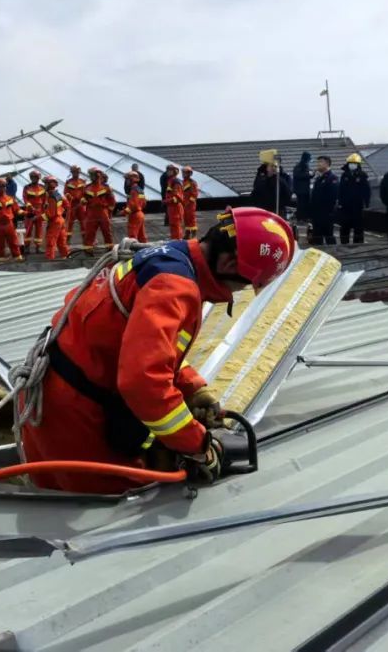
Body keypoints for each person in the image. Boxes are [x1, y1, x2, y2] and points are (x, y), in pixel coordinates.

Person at [19, 207, 297, 494]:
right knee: (98, 515)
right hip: (76, 418)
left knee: (50, 496)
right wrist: (199, 445)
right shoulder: (174, 287)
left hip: (57, 396)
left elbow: (148, 347)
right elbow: (143, 383)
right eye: (243, 284)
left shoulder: (174, 257)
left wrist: (191, 388)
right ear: (227, 264)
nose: (236, 292)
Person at [0, 177, 24, 262]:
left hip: (9, 223)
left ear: (6, 187)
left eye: (3, 186)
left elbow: (17, 210)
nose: (1, 188)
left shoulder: (10, 198)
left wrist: (26, 212)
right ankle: (0, 257)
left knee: (13, 241)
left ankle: (17, 256)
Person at [337, 153, 371, 244]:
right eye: (351, 163)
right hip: (345, 207)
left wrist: (366, 204)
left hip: (358, 206)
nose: (352, 165)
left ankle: (358, 246)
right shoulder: (344, 175)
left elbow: (367, 191)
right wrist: (340, 203)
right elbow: (340, 190)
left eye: (354, 163)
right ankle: (344, 245)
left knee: (358, 228)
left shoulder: (362, 175)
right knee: (344, 228)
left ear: (358, 165)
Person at [82, 167, 116, 253]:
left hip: (103, 212)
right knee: (89, 231)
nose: (93, 176)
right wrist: (83, 200)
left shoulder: (106, 188)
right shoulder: (87, 188)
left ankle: (109, 248)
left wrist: (109, 212)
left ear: (99, 175)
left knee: (106, 231)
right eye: (92, 175)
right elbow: (83, 198)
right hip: (91, 212)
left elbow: (112, 201)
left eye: (95, 174)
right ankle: (88, 249)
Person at [309, 156, 339, 246]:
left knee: (329, 236)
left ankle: (335, 255)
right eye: (318, 162)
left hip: (326, 214)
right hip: (317, 213)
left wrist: (329, 212)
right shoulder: (319, 178)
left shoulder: (332, 178)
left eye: (321, 162)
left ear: (327, 164)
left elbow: (333, 197)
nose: (318, 164)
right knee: (317, 238)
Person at [43, 176, 70, 260]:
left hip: (54, 221)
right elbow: (67, 205)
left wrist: (38, 217)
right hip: (60, 219)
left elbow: (50, 214)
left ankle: (49, 259)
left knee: (51, 241)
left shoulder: (51, 196)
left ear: (50, 184)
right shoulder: (59, 194)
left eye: (46, 183)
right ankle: (66, 256)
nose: (45, 185)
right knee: (61, 240)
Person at [22, 170, 48, 254]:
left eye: (35, 177)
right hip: (30, 211)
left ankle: (38, 248)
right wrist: (29, 206)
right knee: (28, 229)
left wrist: (44, 209)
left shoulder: (43, 187)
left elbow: (45, 200)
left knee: (39, 230)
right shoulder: (27, 187)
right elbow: (25, 198)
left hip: (40, 211)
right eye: (32, 177)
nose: (34, 179)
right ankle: (26, 248)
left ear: (38, 178)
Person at [64, 165, 87, 245]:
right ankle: (67, 241)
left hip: (81, 205)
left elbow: (86, 192)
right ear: (71, 172)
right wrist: (69, 197)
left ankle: (86, 240)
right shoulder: (68, 182)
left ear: (79, 172)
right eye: (73, 172)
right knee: (69, 223)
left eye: (76, 171)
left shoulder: (83, 182)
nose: (75, 173)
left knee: (84, 223)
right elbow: (65, 192)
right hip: (72, 205)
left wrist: (84, 198)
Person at [123, 171, 147, 241]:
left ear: (132, 180)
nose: (126, 181)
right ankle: (144, 249)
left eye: (127, 179)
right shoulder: (140, 189)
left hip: (134, 215)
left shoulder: (133, 190)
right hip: (140, 214)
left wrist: (124, 212)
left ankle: (134, 251)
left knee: (132, 236)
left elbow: (133, 205)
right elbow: (144, 203)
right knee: (141, 235)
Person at [164, 166, 185, 239]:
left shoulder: (176, 182)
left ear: (174, 172)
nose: (168, 172)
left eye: (170, 171)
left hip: (175, 208)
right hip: (171, 208)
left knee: (176, 226)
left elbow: (177, 197)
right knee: (172, 225)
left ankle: (178, 241)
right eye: (167, 170)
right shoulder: (171, 181)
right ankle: (174, 240)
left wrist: (167, 201)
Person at [292, 152, 313, 221]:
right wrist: (309, 175)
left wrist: (312, 174)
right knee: (301, 204)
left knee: (305, 204)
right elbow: (298, 175)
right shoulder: (299, 166)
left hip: (305, 189)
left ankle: (304, 217)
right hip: (301, 190)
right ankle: (301, 217)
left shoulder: (305, 165)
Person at [182, 166, 200, 238]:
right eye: (183, 172)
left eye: (185, 173)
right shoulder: (183, 182)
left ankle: (194, 234)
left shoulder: (192, 183)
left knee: (191, 219)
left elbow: (194, 194)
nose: (183, 174)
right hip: (184, 203)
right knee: (186, 219)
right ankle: (187, 233)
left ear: (189, 174)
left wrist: (189, 203)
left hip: (190, 204)